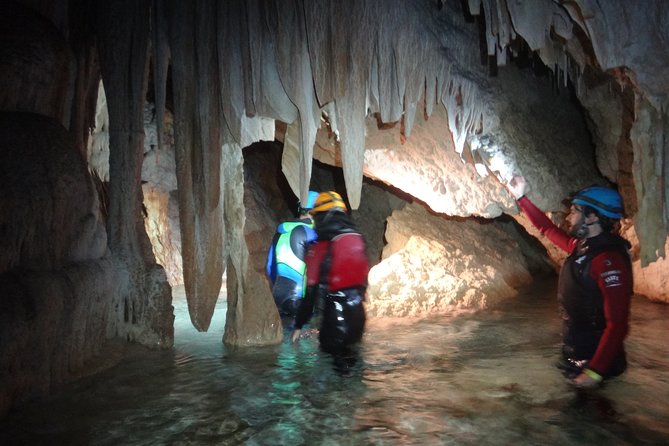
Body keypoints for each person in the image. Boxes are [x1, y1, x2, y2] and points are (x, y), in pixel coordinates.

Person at [506, 176, 633, 388]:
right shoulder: (583, 247)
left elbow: (617, 325)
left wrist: (594, 373)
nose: (569, 216)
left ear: (592, 217)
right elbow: (547, 229)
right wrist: (521, 197)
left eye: (575, 211)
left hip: (598, 366)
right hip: (577, 355)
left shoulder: (608, 262)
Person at [290, 191, 369, 363]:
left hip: (336, 320)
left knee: (334, 370)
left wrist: (298, 325)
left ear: (322, 217)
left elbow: (310, 294)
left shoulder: (321, 247)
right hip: (359, 316)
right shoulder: (358, 238)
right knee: (353, 365)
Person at [266, 191, 319, 318]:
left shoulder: (280, 232)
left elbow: (269, 267)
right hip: (300, 299)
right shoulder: (310, 233)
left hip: (277, 297)